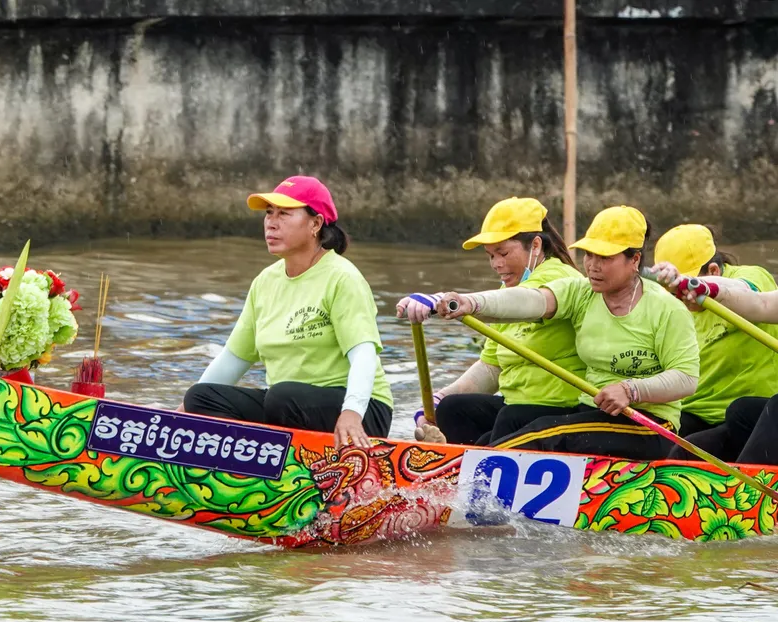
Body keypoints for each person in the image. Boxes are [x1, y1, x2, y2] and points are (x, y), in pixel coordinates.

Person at [407, 205, 699, 460]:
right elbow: (531, 301)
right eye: (588, 255)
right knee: (506, 427)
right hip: (592, 413)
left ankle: (462, 480)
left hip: (649, 424)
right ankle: (463, 472)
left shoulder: (666, 308)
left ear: (634, 260)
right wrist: (468, 303)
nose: (593, 266)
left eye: (605, 258)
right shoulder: (582, 292)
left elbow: (686, 378)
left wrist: (630, 390)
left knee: (542, 434)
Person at [182, 175, 393, 448]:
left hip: (362, 411)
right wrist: (182, 413)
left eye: (284, 214)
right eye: (269, 213)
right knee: (200, 396)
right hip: (287, 406)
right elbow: (233, 360)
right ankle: (249, 461)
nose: (271, 222)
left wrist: (352, 412)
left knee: (282, 396)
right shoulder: (265, 282)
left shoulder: (342, 277)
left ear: (315, 224)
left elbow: (363, 355)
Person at [395, 197, 585, 445]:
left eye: (504, 253)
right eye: (490, 255)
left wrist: (449, 301)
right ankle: (453, 464)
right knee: (452, 409)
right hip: (515, 406)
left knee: (505, 421)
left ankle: (470, 464)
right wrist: (435, 402)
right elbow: (491, 367)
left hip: (559, 410)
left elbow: (526, 302)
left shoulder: (560, 278)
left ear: (536, 245)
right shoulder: (507, 289)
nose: (496, 264)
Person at [648, 224, 778, 454]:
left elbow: (752, 298)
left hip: (743, 415)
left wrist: (701, 288)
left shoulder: (751, 276)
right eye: (670, 291)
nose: (677, 298)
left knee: (688, 450)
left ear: (714, 271)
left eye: (678, 291)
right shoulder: (670, 309)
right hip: (691, 412)